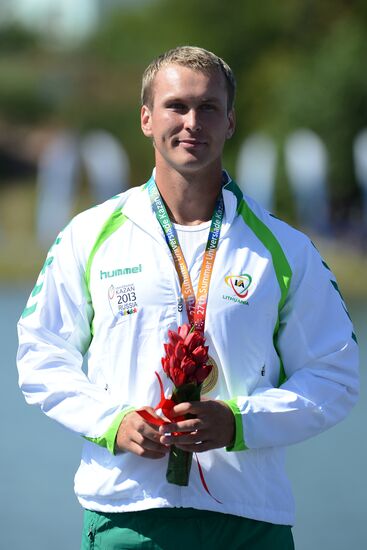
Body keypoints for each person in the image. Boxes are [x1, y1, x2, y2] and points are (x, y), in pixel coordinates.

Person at [17, 46, 359, 550]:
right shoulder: (87, 236)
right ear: (146, 118)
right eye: (176, 105)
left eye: (209, 108)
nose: (192, 122)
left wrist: (242, 423)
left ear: (231, 122)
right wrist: (111, 423)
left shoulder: (285, 249)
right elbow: (40, 356)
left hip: (248, 518)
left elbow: (336, 375)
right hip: (128, 514)